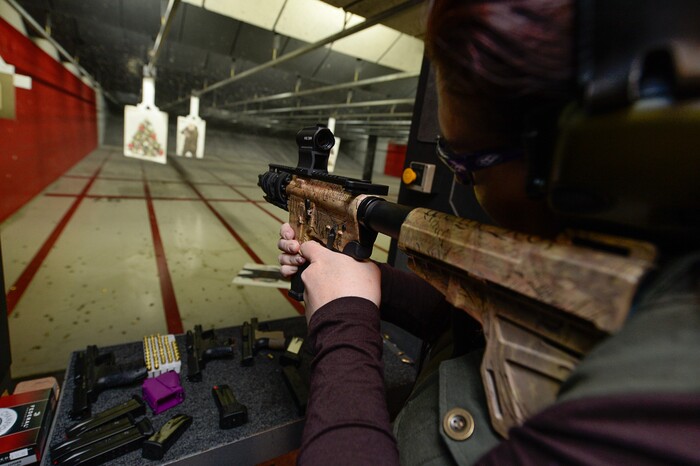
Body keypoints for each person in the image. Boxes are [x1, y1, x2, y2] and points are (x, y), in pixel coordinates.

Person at [277, 1, 700, 464]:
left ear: (586, 155)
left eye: (467, 164)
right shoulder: (656, 276)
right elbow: (495, 318)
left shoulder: (668, 404)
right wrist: (365, 282)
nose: (460, 180)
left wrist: (342, 320)